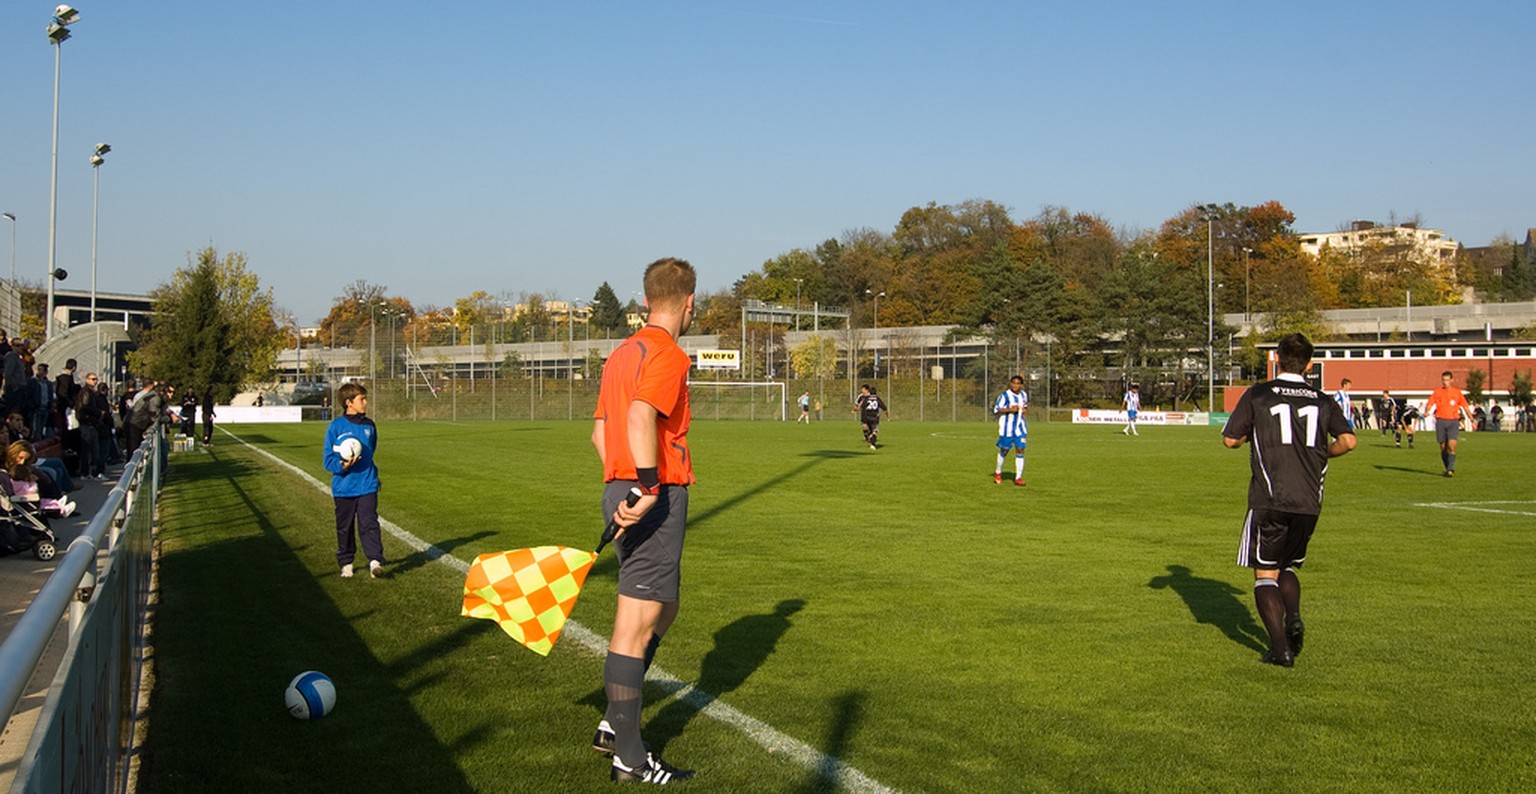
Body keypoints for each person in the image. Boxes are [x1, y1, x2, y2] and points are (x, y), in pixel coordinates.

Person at [589, 257, 696, 784]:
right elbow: (639, 418)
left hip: (620, 488)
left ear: (647, 298)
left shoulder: (619, 355)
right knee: (633, 624)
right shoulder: (668, 353)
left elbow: (599, 435)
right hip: (651, 494)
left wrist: (623, 486)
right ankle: (629, 755)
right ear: (688, 302)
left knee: (664, 606)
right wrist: (649, 485)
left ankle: (615, 719)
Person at [1221, 333, 1356, 668]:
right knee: (1289, 565)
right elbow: (1349, 441)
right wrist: (1322, 453)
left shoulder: (1259, 394)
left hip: (1270, 498)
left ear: (1276, 358)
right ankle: (1293, 616)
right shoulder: (1322, 399)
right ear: (1310, 364)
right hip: (1309, 500)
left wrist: (1247, 438)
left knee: (1265, 574)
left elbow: (1230, 441)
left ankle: (1280, 649)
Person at [324, 382, 383, 579]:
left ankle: (375, 561)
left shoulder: (369, 426)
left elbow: (370, 450)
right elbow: (328, 460)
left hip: (367, 484)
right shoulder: (336, 427)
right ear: (349, 403)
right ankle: (346, 562)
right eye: (362, 399)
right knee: (345, 526)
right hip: (344, 487)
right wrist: (342, 466)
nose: (366, 402)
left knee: (369, 523)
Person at [1424, 370, 1473, 478]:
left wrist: (1471, 419)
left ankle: (1450, 469)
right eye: (1443, 380)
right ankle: (1448, 468)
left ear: (1451, 380)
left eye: (1447, 380)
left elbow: (1465, 406)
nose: (1445, 382)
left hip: (1453, 422)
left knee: (1451, 446)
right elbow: (1430, 403)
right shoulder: (1437, 392)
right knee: (1442, 447)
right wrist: (1427, 411)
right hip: (1441, 421)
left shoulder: (1457, 393)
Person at [992, 375, 1028, 486]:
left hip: (1020, 427)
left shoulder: (1024, 395)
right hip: (1006, 429)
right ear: (1010, 384)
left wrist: (1025, 410)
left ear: (1021, 385)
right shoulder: (1004, 396)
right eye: (1013, 383)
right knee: (1004, 451)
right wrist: (1010, 409)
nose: (1015, 385)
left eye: (1018, 383)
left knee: (1020, 449)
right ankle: (998, 472)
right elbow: (996, 409)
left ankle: (1018, 477)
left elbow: (1025, 406)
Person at [73, 373, 109, 480]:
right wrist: (98, 412)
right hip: (88, 424)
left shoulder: (90, 393)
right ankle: (87, 472)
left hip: (90, 423)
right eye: (92, 379)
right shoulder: (86, 393)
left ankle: (89, 472)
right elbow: (84, 407)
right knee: (89, 449)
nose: (95, 381)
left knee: (91, 449)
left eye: (96, 379)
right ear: (87, 380)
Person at [854, 384, 887, 450]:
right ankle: (873, 444)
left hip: (867, 416)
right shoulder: (877, 398)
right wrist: (887, 415)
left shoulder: (866, 398)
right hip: (875, 417)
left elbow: (861, 406)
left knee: (868, 429)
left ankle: (870, 439)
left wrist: (855, 410)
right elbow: (884, 407)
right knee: (874, 431)